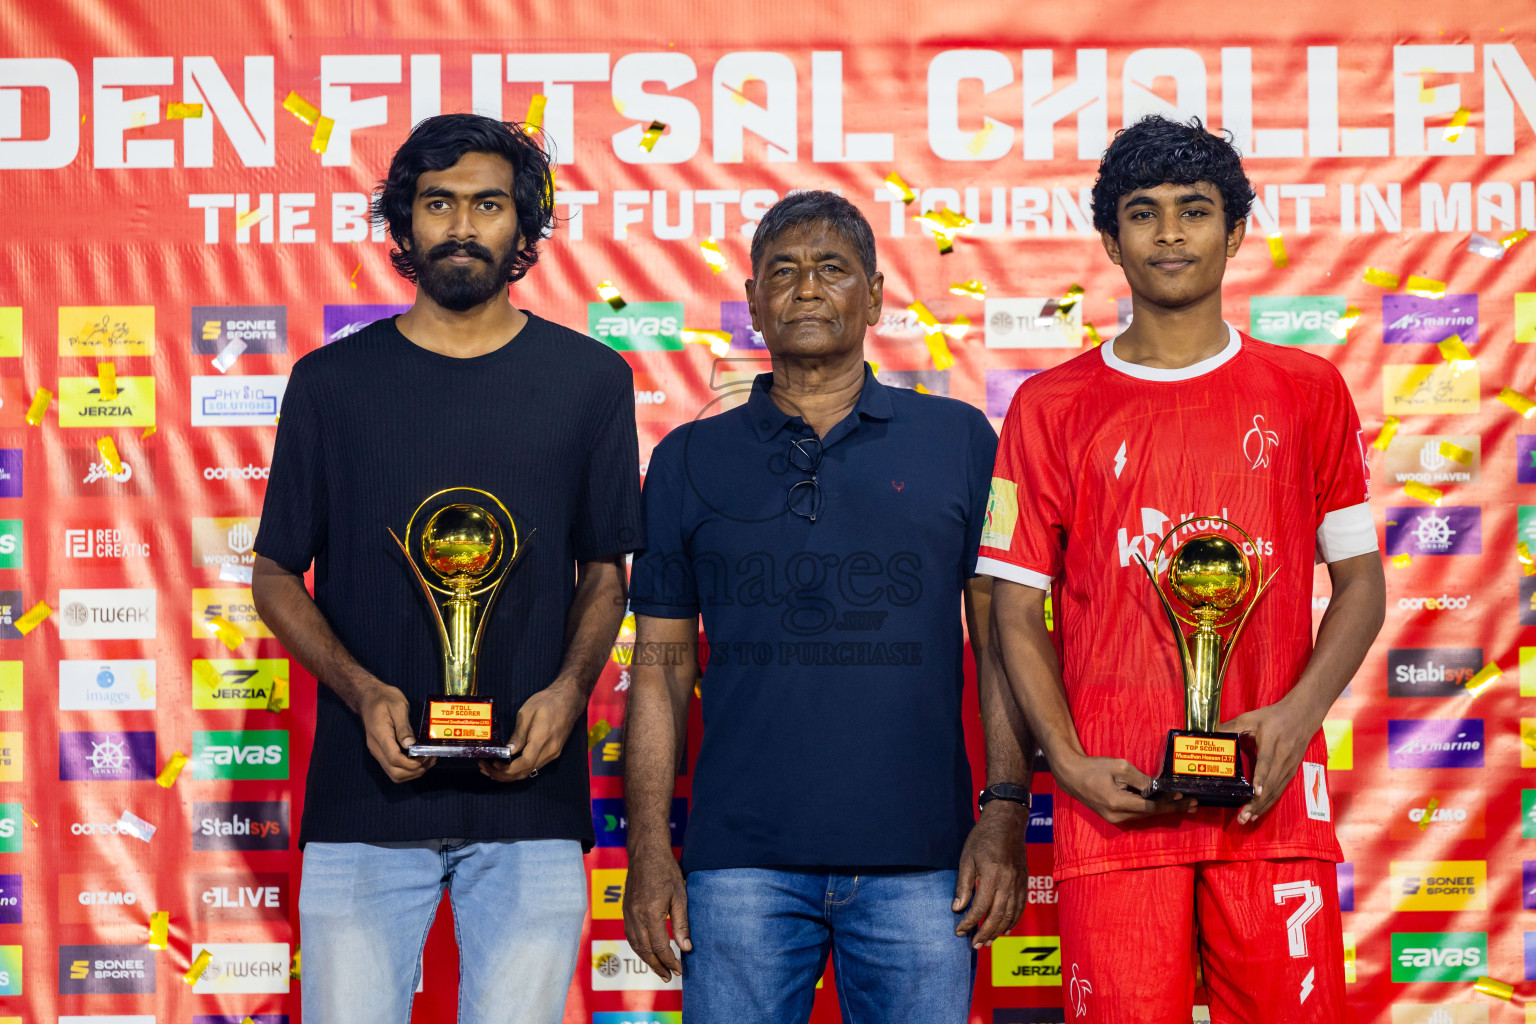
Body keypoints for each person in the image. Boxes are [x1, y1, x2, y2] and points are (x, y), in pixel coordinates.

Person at [982, 115, 1385, 1023]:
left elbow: (1362, 585)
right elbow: (1015, 609)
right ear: (1110, 240)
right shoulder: (1049, 408)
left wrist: (1296, 716)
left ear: (1235, 232)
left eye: (1195, 211)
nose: (1170, 233)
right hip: (1115, 807)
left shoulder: (1307, 390)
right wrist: (1073, 763)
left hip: (1271, 805)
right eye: (1144, 213)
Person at [250, 113, 642, 1024]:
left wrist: (569, 691)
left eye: (488, 203)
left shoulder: (591, 380)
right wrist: (359, 689)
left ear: (524, 226)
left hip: (532, 800)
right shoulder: (329, 384)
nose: (461, 224)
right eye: (437, 202)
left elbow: (605, 570)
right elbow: (274, 573)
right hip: (364, 795)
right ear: (404, 223)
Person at [622, 190, 1034, 1024]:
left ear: (877, 297)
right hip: (738, 867)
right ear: (753, 303)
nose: (807, 289)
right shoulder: (686, 457)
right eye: (784, 271)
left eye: (832, 269)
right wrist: (647, 846)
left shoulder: (962, 443)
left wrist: (1003, 814)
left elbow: (1002, 649)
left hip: (924, 864)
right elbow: (660, 670)